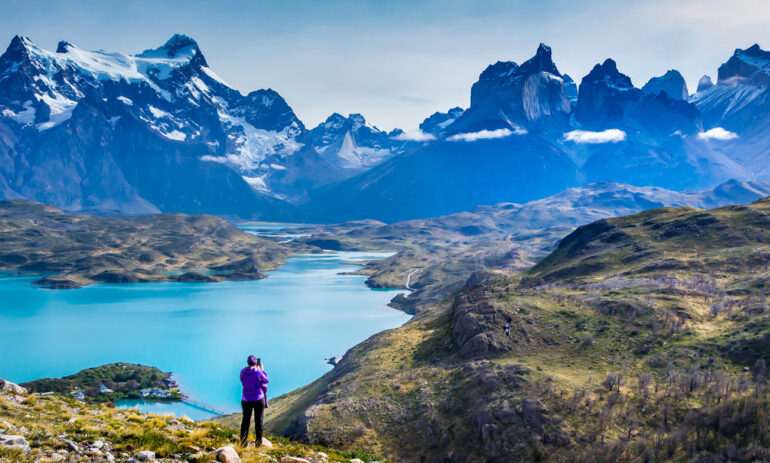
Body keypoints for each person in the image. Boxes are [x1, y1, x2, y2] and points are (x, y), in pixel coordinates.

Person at [240, 355, 269, 447]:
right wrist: (262, 369)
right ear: (256, 363)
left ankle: (243, 444)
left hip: (246, 399)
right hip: (258, 398)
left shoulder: (242, 371)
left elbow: (242, 380)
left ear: (247, 362)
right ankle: (258, 444)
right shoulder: (258, 371)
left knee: (245, 421)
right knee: (259, 421)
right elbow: (266, 380)